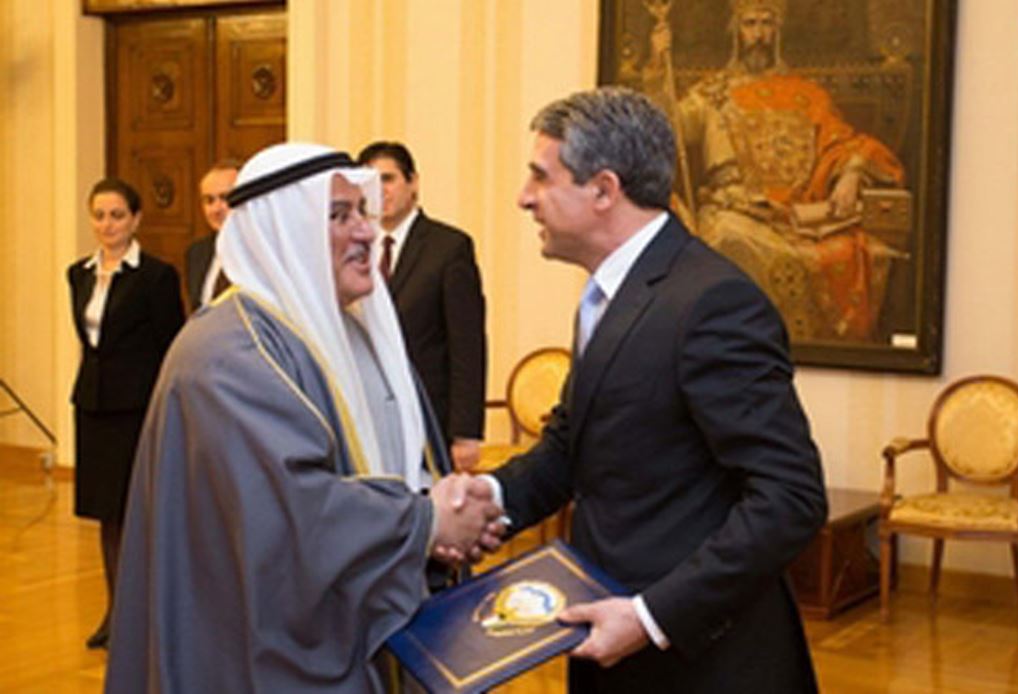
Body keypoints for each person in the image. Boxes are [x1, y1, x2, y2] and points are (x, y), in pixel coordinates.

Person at [103, 143, 502, 694]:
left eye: (362, 211)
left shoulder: (353, 328)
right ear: (284, 232)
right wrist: (426, 523)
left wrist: (450, 516)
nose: (366, 231)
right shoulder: (226, 353)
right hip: (259, 653)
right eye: (338, 216)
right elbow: (290, 512)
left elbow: (409, 459)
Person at [475, 87, 827, 692]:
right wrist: (486, 499)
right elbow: (574, 446)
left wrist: (650, 617)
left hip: (700, 661)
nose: (524, 197)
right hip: (609, 633)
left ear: (603, 190)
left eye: (541, 176)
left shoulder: (712, 301)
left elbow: (790, 497)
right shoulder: (611, 294)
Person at [644, 0, 906, 342]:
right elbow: (665, 128)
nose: (758, 34)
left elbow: (843, 142)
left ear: (778, 31)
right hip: (734, 209)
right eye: (750, 24)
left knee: (860, 250)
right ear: (736, 32)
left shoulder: (807, 94)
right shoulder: (712, 93)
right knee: (728, 239)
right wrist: (656, 67)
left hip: (798, 217)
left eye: (766, 24)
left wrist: (852, 173)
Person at [67, 177, 185, 650]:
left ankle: (146, 617)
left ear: (136, 219)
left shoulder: (155, 276)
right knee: (107, 516)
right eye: (99, 215)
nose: (107, 224)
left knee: (139, 513)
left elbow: (170, 345)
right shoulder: (78, 274)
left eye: (117, 215)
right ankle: (115, 612)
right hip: (93, 408)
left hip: (137, 410)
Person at [357, 142, 487, 472]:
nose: (380, 191)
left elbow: (467, 345)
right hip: (369, 419)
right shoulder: (354, 247)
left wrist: (466, 433)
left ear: (413, 182)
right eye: (370, 183)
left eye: (388, 179)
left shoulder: (448, 247)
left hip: (429, 419)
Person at [184, 159, 240, 310]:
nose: (216, 209)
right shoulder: (197, 253)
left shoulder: (265, 251)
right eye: (209, 200)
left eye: (225, 198)